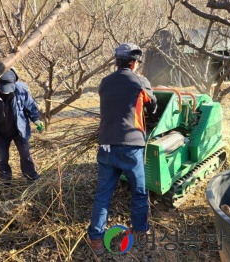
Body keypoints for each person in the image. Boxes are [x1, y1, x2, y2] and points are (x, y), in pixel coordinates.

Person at [87, 43, 157, 254]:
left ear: (117, 61)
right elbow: (152, 106)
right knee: (138, 192)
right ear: (134, 63)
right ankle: (139, 230)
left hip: (106, 145)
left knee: (103, 194)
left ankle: (96, 239)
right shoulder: (140, 81)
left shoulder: (104, 83)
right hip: (131, 148)